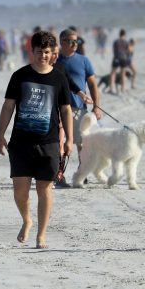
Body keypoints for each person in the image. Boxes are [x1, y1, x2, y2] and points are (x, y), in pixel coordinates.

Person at [0, 31, 73, 249]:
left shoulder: (59, 78)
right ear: (33, 51)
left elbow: (65, 109)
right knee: (20, 190)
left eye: (47, 52)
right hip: (21, 142)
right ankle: (27, 220)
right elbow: (8, 106)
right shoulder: (20, 76)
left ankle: (41, 234)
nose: (43, 56)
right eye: (39, 52)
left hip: (48, 142)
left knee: (44, 189)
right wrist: (0, 134)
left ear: (52, 53)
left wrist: (68, 139)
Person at [54, 29, 102, 187]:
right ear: (62, 42)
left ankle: (82, 173)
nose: (75, 44)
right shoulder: (55, 60)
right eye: (71, 41)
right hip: (60, 109)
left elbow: (93, 85)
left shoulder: (84, 60)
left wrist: (97, 107)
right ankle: (59, 174)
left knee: (82, 143)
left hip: (80, 109)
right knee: (60, 143)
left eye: (77, 41)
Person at [109, 29, 130, 93]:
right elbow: (128, 51)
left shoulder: (116, 41)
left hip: (116, 58)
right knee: (122, 74)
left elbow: (114, 51)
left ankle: (111, 89)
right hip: (124, 58)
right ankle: (122, 88)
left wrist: (115, 57)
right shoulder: (126, 42)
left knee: (113, 73)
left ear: (119, 34)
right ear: (125, 34)